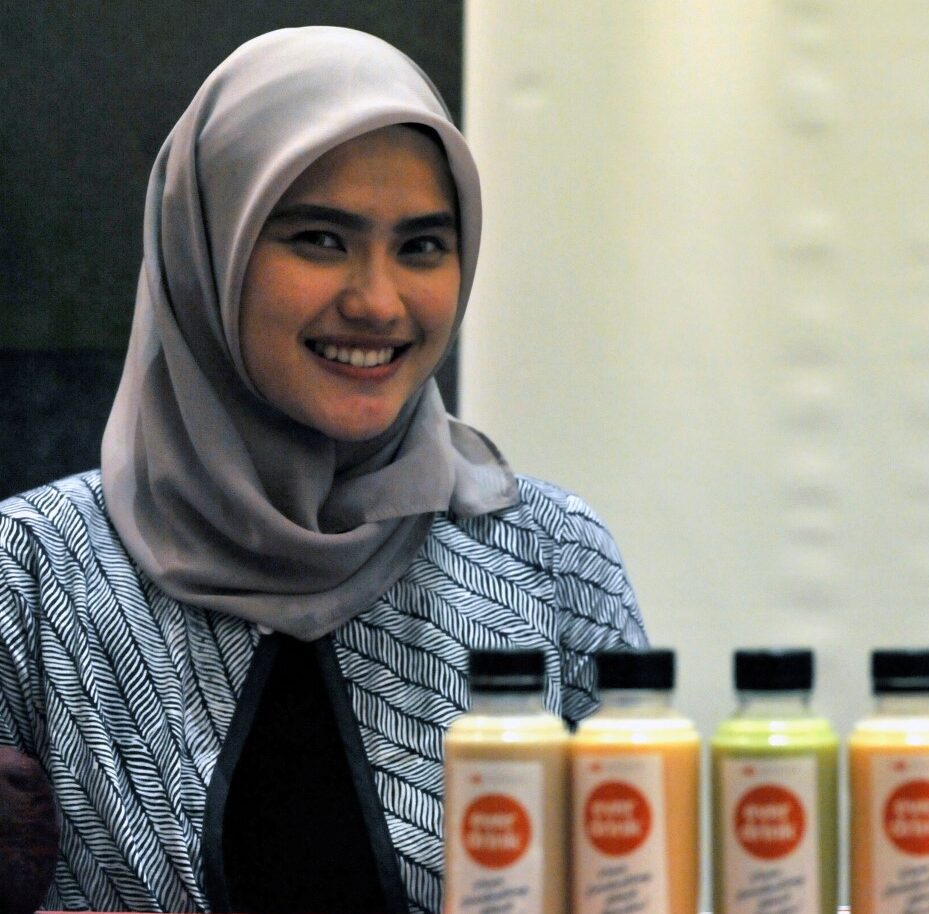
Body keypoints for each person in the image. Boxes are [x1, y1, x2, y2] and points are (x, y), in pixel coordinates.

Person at [0, 27, 646, 914]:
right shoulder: (36, 577)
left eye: (422, 246)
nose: (378, 301)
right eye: (319, 239)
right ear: (207, 250)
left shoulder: (551, 559)